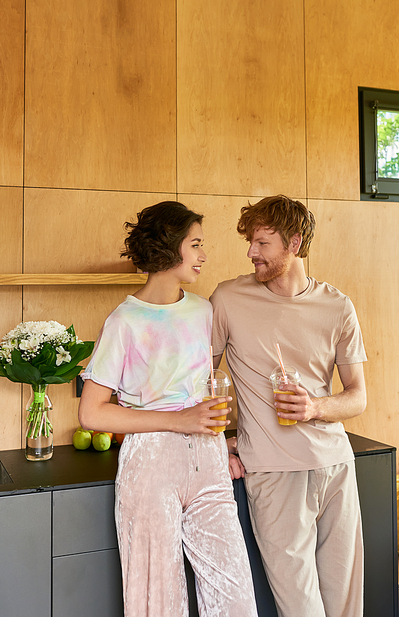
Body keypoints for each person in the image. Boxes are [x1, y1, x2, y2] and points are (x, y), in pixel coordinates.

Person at [78, 200, 258, 617]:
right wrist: (181, 421)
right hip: (150, 465)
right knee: (155, 601)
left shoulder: (203, 311)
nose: (203, 255)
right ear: (169, 248)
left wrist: (221, 438)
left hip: (209, 463)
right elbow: (92, 413)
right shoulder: (124, 321)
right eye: (195, 245)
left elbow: (200, 389)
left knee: (235, 597)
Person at [210, 195, 367, 617]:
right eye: (250, 242)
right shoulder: (227, 298)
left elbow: (357, 395)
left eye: (262, 243)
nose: (250, 252)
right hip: (275, 472)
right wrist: (216, 441)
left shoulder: (337, 306)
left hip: (335, 466)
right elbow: (200, 381)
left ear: (294, 243)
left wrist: (314, 407)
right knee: (301, 607)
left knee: (345, 604)